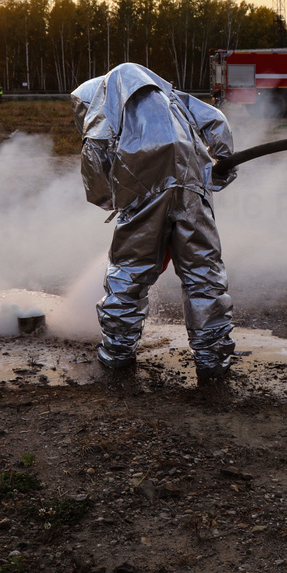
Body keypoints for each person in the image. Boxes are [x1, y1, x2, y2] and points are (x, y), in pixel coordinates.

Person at [70, 63, 238, 378]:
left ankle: (117, 353)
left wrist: (103, 195)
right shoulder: (168, 95)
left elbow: (93, 149)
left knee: (129, 273)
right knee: (204, 273)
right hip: (190, 186)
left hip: (143, 192)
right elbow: (217, 120)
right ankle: (213, 359)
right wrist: (224, 163)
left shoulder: (108, 94)